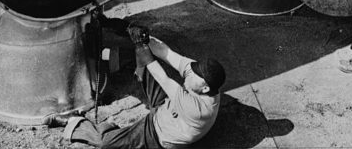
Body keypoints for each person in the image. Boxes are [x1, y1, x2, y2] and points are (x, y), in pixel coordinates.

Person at [45, 25, 225, 149]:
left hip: (158, 135)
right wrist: (139, 35)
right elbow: (165, 52)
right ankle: (108, 57)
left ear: (205, 89)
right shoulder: (200, 79)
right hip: (167, 106)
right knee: (143, 54)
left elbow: (163, 78)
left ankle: (73, 121)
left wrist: (141, 49)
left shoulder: (199, 109)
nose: (189, 72)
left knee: (105, 143)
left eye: (193, 74)